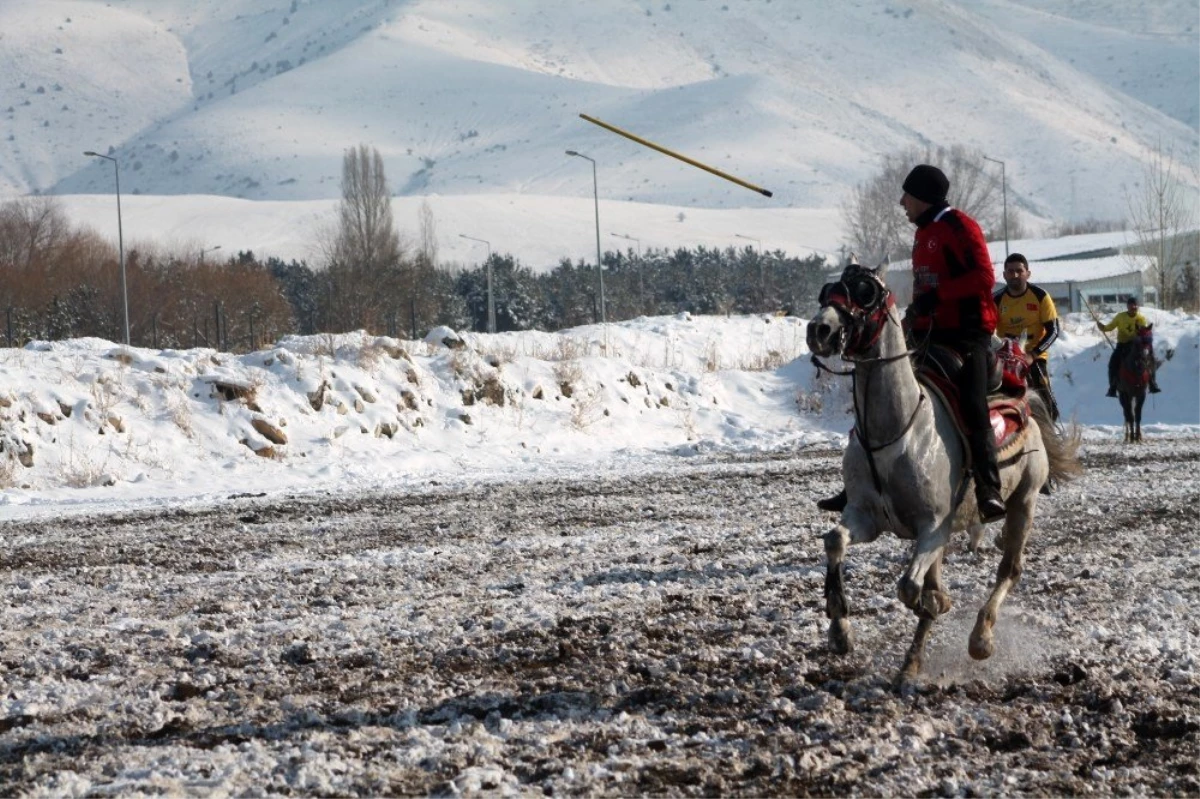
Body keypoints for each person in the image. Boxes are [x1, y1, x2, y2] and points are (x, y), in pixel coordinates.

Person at [819, 164, 1006, 523]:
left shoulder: (959, 226)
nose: (902, 202)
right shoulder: (923, 233)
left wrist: (940, 298)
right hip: (927, 334)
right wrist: (913, 318)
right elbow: (925, 289)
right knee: (879, 391)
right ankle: (857, 487)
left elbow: (984, 277)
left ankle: (988, 489)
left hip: (968, 334)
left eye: (907, 195)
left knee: (971, 402)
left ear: (922, 196)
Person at [994, 253, 1061, 420]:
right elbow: (987, 331)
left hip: (1033, 356)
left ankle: (1050, 428)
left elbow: (1054, 331)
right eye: (1010, 271)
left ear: (1027, 273)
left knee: (1044, 396)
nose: (1015, 275)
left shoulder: (1040, 296)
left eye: (1019, 271)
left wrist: (1033, 354)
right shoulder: (996, 300)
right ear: (1004, 275)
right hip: (1005, 357)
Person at [1099, 296, 1161, 396]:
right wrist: (1103, 327)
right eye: (1131, 305)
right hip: (1122, 344)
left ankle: (1152, 383)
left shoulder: (1141, 318)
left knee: (1150, 360)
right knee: (1113, 362)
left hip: (1136, 344)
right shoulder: (1120, 316)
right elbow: (1110, 327)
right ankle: (1113, 387)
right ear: (1127, 306)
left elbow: (1143, 332)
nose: (1134, 307)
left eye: (1135, 305)